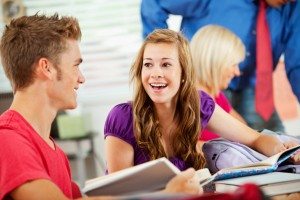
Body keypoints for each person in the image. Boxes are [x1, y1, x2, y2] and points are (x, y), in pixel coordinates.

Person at [0, 14, 201, 200]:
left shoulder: (52, 150)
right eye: (75, 65)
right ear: (47, 68)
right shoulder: (8, 140)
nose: (81, 78)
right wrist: (166, 195)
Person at [104, 29, 300, 175]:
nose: (155, 73)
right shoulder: (122, 118)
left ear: (183, 73)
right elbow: (117, 194)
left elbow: (255, 138)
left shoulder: (198, 104)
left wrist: (282, 150)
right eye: (148, 65)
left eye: (166, 64)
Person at [140, 0, 300, 132]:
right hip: (206, 83)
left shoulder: (292, 6)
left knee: (276, 142)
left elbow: (297, 63)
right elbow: (152, 4)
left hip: (254, 87)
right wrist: (166, 59)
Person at [190, 25, 247, 142]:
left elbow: (246, 132)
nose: (237, 72)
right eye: (233, 64)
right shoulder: (188, 103)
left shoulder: (217, 95)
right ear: (215, 63)